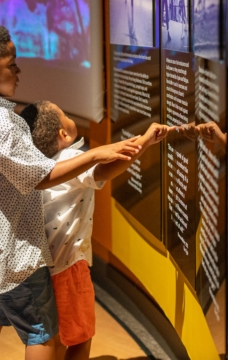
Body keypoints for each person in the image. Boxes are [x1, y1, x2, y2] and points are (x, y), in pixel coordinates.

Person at [0, 23, 141, 360]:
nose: (18, 72)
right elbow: (40, 175)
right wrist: (96, 154)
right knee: (42, 335)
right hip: (14, 255)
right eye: (12, 64)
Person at [20, 100, 171, 360]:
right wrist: (145, 141)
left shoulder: (35, 165)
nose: (69, 116)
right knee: (81, 336)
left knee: (50, 338)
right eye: (65, 114)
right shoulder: (71, 159)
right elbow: (104, 169)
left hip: (38, 268)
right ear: (63, 135)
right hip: (69, 265)